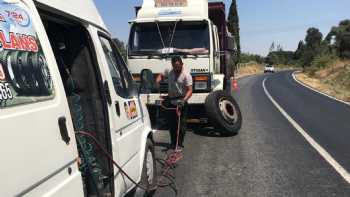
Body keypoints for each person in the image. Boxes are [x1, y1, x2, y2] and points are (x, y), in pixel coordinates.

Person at [156, 56, 193, 150]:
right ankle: (173, 143)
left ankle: (179, 144)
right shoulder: (169, 71)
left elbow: (190, 91)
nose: (176, 68)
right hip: (171, 101)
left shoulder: (186, 75)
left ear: (181, 64)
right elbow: (161, 75)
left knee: (181, 126)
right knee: (172, 125)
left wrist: (184, 100)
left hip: (182, 102)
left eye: (178, 66)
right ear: (172, 65)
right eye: (174, 66)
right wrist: (158, 80)